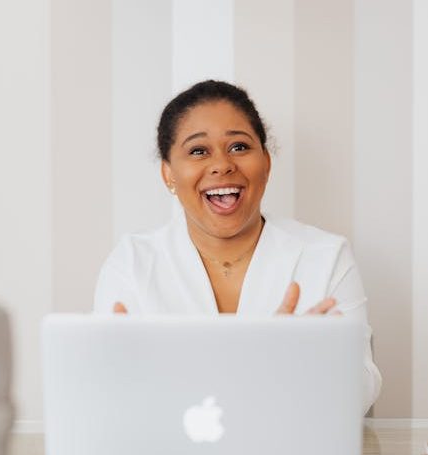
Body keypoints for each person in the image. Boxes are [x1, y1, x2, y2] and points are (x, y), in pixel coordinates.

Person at [94, 80, 382, 414]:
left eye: (239, 147)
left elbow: (363, 391)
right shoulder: (131, 262)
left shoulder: (326, 255)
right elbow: (107, 393)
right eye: (198, 151)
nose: (222, 165)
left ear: (267, 163)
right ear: (168, 174)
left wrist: (301, 358)